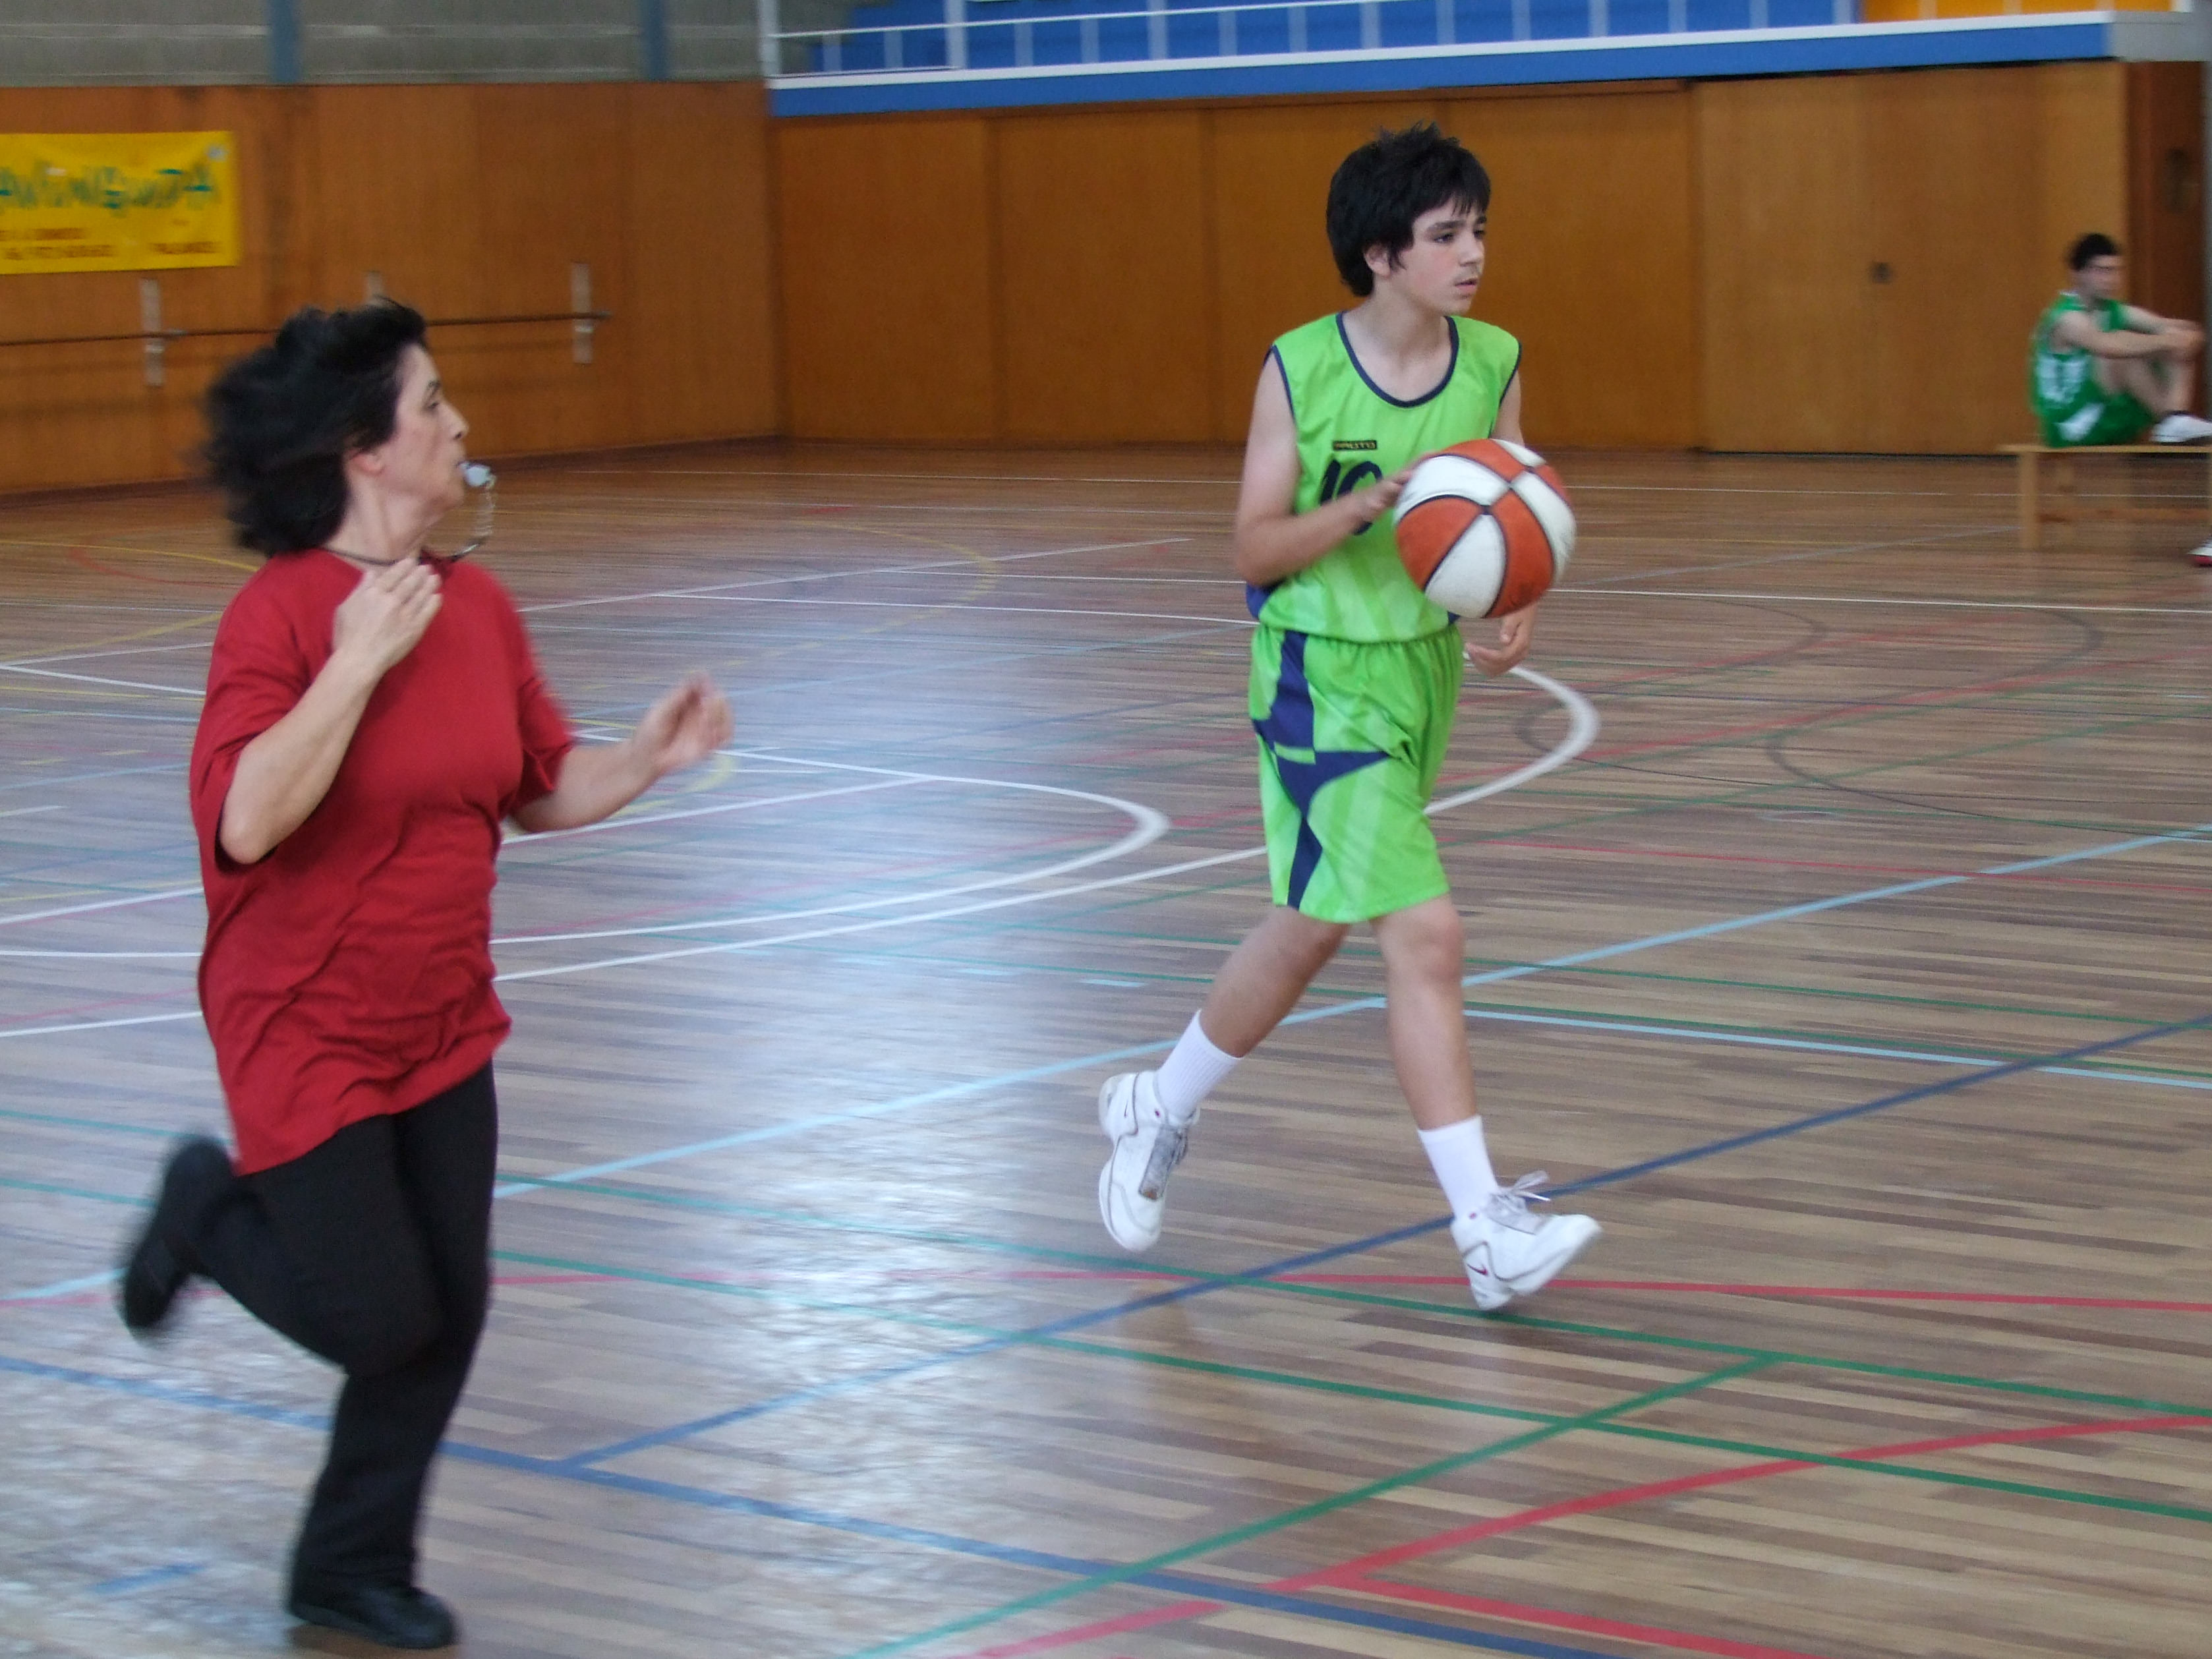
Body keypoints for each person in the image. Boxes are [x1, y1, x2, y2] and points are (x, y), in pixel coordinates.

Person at [115, 301, 733, 1651]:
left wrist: (643, 758)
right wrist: (352, 664)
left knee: (448, 1311)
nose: (460, 425)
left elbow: (533, 782)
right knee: (380, 1315)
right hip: (303, 1027)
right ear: (366, 448)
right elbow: (246, 820)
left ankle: (350, 1565)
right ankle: (208, 1207)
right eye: (433, 403)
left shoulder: (480, 604)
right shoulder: (278, 618)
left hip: (442, 1021)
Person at [1094, 125, 1598, 1311]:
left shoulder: (1494, 359)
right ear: (1381, 254)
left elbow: (1512, 506)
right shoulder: (1301, 368)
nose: (1473, 253)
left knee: (1310, 926)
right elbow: (1253, 547)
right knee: (1426, 933)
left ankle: (1157, 1105)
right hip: (1316, 675)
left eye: (1479, 230)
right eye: (1446, 234)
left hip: (1422, 672)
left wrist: (1519, 594)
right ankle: (1484, 1229)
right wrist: (1364, 507)